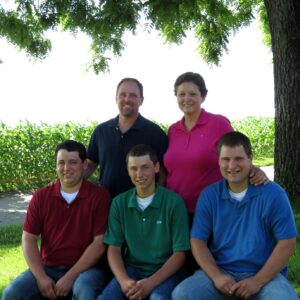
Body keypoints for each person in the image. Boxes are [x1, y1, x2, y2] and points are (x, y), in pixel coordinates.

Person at [172, 131, 298, 300]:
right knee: (182, 294)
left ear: (250, 159)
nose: (232, 165)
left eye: (238, 159)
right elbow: (197, 240)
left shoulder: (274, 194)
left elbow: (288, 243)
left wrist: (257, 281)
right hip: (222, 272)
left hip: (264, 275)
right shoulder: (209, 196)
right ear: (219, 161)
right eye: (226, 159)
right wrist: (216, 276)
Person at [2, 140, 112, 300]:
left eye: (73, 162)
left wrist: (70, 277)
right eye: (61, 163)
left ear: (85, 164)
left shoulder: (100, 197)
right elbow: (29, 238)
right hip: (48, 267)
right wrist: (41, 277)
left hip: (87, 269)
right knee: (11, 293)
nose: (66, 168)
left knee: (85, 292)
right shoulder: (41, 196)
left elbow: (99, 244)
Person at [164, 72, 268, 221]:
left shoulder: (218, 123)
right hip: (175, 210)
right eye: (181, 94)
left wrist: (253, 169)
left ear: (203, 97)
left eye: (193, 94)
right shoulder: (173, 130)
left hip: (211, 209)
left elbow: (237, 151)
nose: (186, 99)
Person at [98, 144, 190, 300]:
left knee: (157, 298)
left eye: (145, 167)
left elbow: (180, 253)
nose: (139, 174)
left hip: (167, 271)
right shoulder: (119, 203)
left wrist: (151, 283)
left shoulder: (174, 202)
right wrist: (124, 280)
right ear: (128, 171)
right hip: (133, 269)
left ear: (156, 167)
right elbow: (113, 248)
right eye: (133, 168)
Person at [85, 77, 168, 198]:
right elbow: (90, 165)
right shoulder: (101, 131)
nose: (127, 99)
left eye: (133, 95)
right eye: (122, 94)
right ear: (116, 98)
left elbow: (163, 173)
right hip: (106, 205)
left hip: (142, 207)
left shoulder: (155, 133)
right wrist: (63, 183)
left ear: (141, 100)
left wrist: (157, 201)